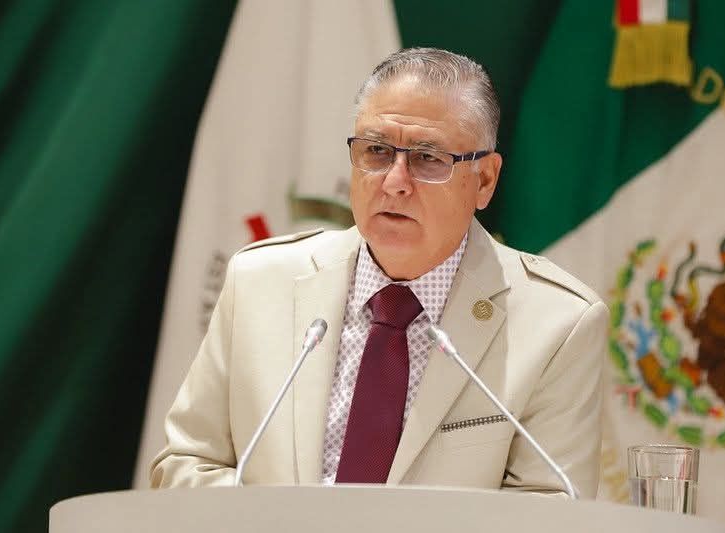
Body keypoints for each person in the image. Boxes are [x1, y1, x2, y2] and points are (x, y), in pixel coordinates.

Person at [151, 47, 608, 497]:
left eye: (428, 158)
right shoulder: (258, 282)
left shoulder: (559, 325)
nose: (394, 182)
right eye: (376, 151)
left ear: (484, 180)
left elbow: (551, 513)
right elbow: (186, 465)